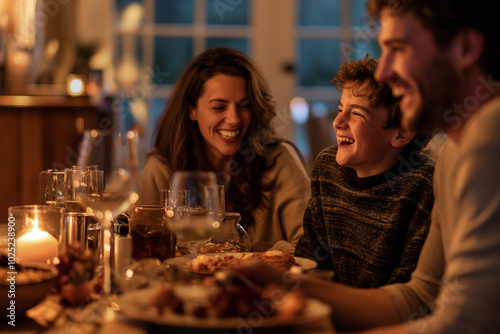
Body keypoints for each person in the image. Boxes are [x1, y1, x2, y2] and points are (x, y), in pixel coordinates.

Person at [234, 1, 500, 333]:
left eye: (398, 49)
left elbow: (467, 322)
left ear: (465, 48)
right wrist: (286, 283)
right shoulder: (454, 153)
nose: (385, 71)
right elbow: (419, 297)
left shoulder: (489, 137)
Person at [139, 47, 310, 253]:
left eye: (244, 106)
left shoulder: (279, 160)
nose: (235, 119)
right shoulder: (161, 168)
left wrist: (254, 256)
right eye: (219, 107)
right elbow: (146, 250)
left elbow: (310, 246)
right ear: (191, 110)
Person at [295, 56, 434, 288]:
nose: (338, 121)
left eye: (357, 114)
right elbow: (311, 259)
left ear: (400, 133)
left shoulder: (423, 187)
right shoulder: (328, 168)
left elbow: (407, 295)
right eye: (340, 109)